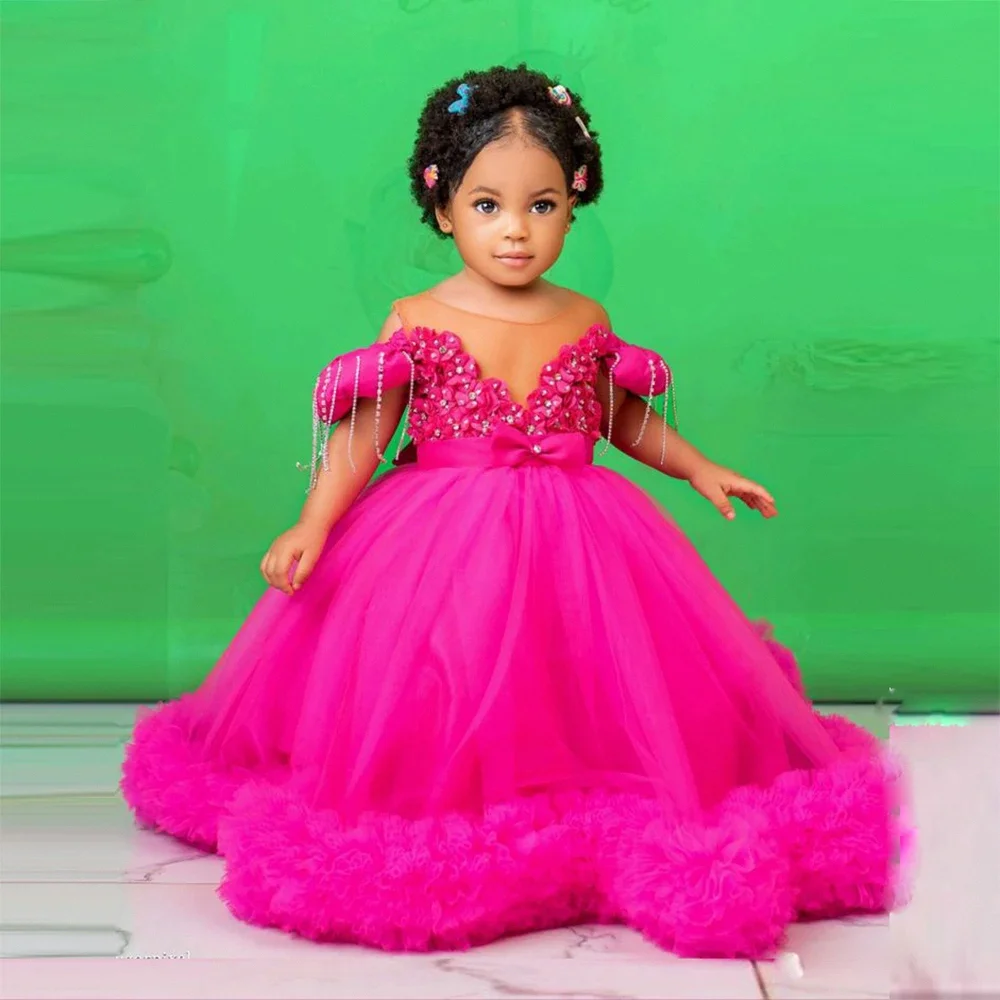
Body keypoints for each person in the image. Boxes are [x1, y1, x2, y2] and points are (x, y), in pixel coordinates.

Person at [121, 64, 907, 958]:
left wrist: (700, 468)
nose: (516, 230)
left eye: (542, 206)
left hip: (582, 530)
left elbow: (619, 418)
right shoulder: (418, 316)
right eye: (487, 206)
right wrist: (313, 522)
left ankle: (564, 796)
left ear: (574, 206)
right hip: (438, 537)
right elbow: (365, 434)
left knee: (582, 670)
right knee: (447, 669)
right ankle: (459, 805)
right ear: (443, 208)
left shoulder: (584, 316)